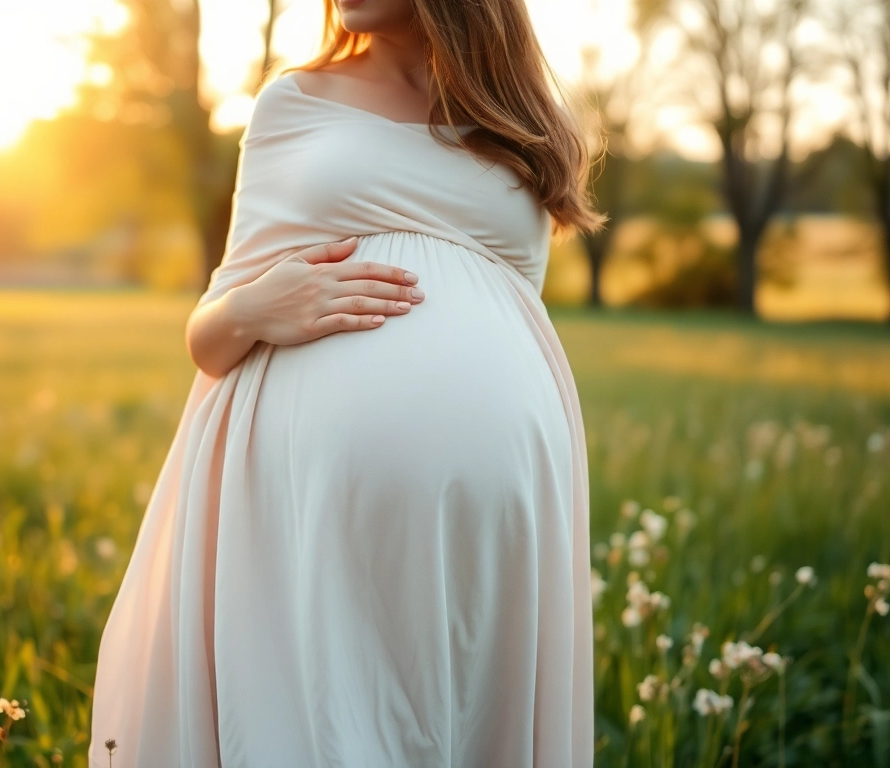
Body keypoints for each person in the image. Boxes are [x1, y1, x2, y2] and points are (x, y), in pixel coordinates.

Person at [89, 0, 602, 764]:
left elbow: (512, 305)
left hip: (491, 521)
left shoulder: (525, 123)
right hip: (313, 509)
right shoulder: (294, 104)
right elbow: (209, 334)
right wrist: (257, 305)